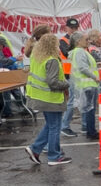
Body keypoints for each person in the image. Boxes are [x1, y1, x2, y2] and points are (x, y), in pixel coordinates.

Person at [24, 32, 72, 166]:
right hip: (51, 98)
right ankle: (54, 156)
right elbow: (53, 82)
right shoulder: (52, 60)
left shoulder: (37, 57)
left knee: (51, 125)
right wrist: (67, 84)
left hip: (39, 96)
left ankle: (35, 149)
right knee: (55, 127)